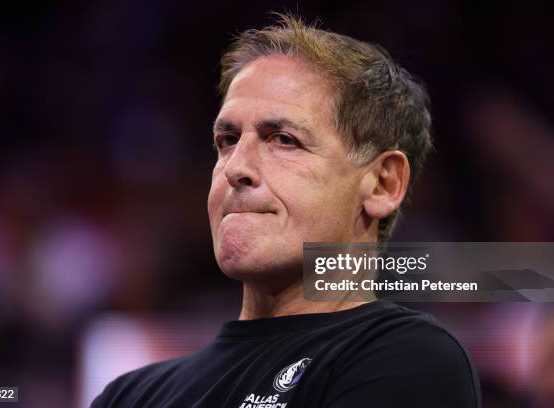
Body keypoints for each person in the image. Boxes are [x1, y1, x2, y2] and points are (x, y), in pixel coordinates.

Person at [92, 13, 481, 407]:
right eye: (227, 140)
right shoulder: (128, 397)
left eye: (283, 139)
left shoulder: (410, 360)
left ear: (383, 183)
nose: (235, 167)